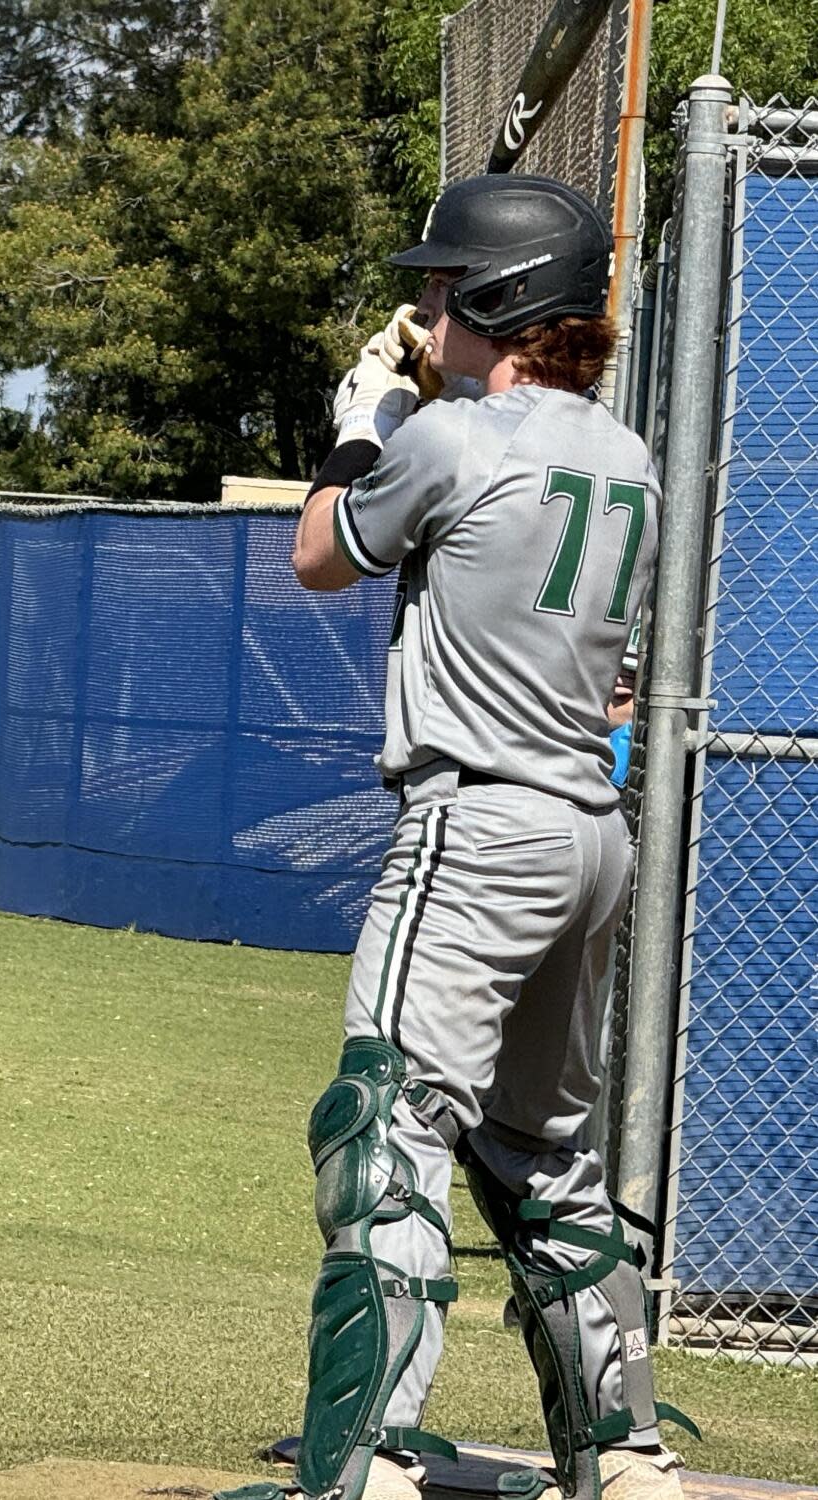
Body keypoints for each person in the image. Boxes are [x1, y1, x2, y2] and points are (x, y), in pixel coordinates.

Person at [217, 176, 695, 1500]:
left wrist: (359, 427)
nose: (423, 314)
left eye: (440, 292)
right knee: (549, 1158)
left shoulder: (451, 439)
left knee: (386, 1129)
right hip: (587, 833)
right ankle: (625, 1457)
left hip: (474, 823)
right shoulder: (624, 457)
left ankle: (360, 1463)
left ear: (497, 300)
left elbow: (320, 554)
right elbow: (611, 688)